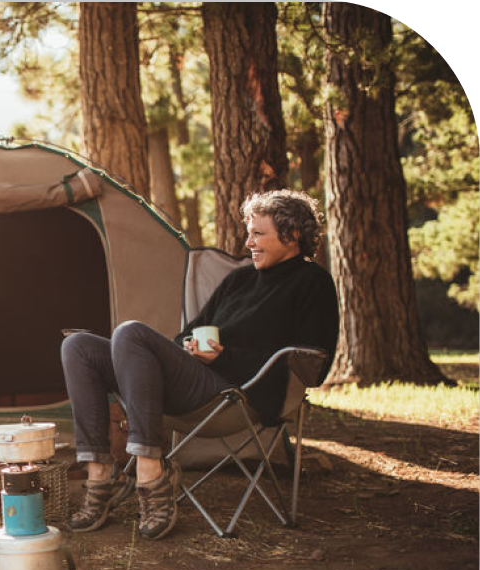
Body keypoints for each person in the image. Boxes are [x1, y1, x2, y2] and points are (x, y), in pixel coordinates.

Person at [60, 189, 339, 539]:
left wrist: (226, 357)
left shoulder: (312, 283)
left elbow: (315, 364)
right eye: (248, 232)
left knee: (130, 333)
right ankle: (100, 478)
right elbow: (186, 337)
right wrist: (191, 348)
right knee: (79, 346)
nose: (248, 241)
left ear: (293, 234)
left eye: (258, 234)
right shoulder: (239, 280)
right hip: (195, 382)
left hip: (238, 395)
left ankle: (150, 477)